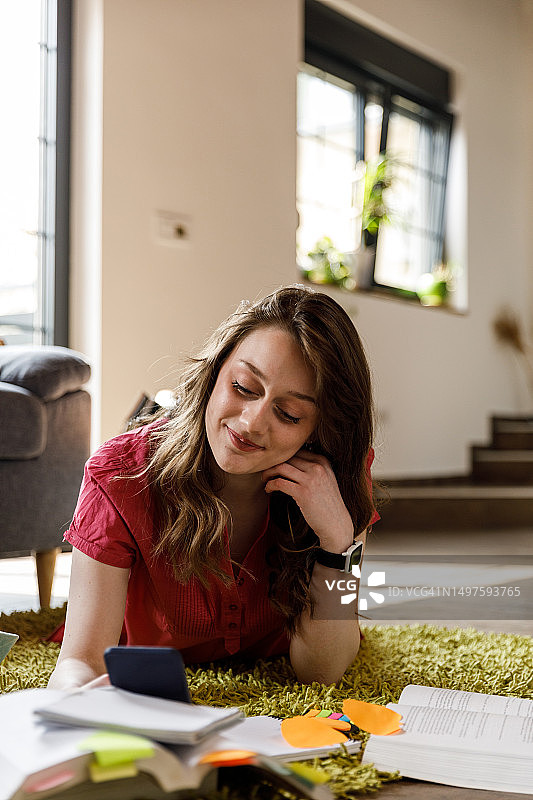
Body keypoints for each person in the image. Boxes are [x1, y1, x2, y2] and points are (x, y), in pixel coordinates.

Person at [48, 285, 378, 689]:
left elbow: (323, 672)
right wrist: (76, 697)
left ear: (319, 430)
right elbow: (81, 660)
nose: (252, 423)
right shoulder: (119, 475)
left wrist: (339, 545)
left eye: (289, 414)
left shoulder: (339, 479)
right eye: (243, 387)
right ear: (215, 372)